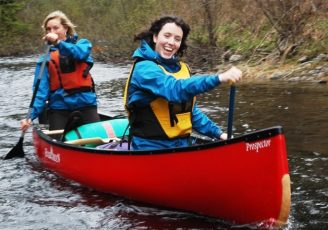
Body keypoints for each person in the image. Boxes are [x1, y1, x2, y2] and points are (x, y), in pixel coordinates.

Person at [123, 16, 242, 150]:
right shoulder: (144, 68)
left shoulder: (183, 69)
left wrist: (219, 134)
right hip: (150, 147)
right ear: (155, 37)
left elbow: (190, 113)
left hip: (183, 145)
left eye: (177, 39)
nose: (171, 42)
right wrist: (218, 78)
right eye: (167, 36)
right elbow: (175, 89)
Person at [21, 10, 99, 134]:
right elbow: (40, 93)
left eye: (56, 28)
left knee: (98, 143)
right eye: (48, 29)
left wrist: (58, 43)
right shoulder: (44, 60)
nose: (52, 32)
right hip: (60, 109)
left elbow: (79, 53)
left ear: (66, 28)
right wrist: (30, 116)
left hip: (86, 105)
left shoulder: (83, 45)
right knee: (58, 139)